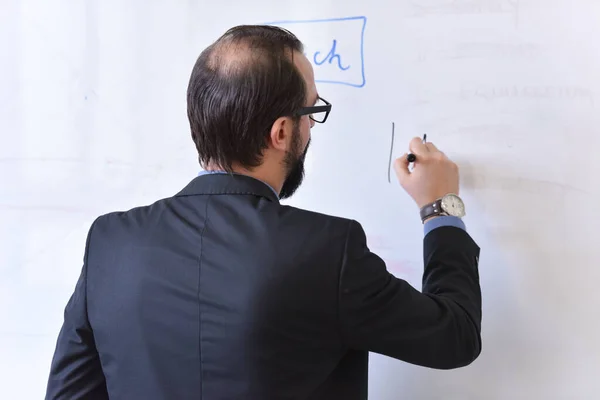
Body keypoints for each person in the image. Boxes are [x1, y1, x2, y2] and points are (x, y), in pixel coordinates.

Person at [45, 25, 481, 400]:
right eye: (313, 112)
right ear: (282, 131)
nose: (311, 127)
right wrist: (439, 208)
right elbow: (454, 337)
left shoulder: (110, 242)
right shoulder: (328, 250)